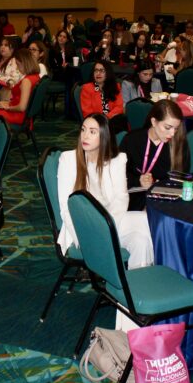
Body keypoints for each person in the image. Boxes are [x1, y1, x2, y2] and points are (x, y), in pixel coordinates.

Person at [57, 113, 153, 269]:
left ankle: (136, 287)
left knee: (142, 233)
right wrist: (87, 233)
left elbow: (121, 199)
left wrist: (106, 227)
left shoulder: (117, 160)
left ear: (104, 136)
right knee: (143, 231)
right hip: (83, 227)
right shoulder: (68, 160)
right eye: (83, 130)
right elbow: (66, 207)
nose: (85, 136)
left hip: (111, 220)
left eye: (92, 132)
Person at [119, 100, 189, 209]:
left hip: (165, 202)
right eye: (167, 127)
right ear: (154, 122)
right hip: (132, 199)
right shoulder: (132, 140)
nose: (172, 133)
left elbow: (182, 179)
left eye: (176, 128)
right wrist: (138, 180)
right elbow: (118, 174)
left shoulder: (179, 144)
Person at [0, 47, 40, 126]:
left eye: (18, 64)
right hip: (18, 112)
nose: (17, 67)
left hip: (17, 115)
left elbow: (22, 107)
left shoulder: (26, 81)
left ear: (24, 63)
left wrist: (8, 107)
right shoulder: (35, 76)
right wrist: (8, 104)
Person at [79, 60, 125, 129]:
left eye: (102, 71)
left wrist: (107, 118)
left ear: (108, 73)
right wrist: (103, 120)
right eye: (96, 70)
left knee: (123, 120)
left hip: (112, 120)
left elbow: (119, 107)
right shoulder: (87, 88)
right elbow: (87, 113)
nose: (98, 73)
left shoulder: (115, 87)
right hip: (96, 122)